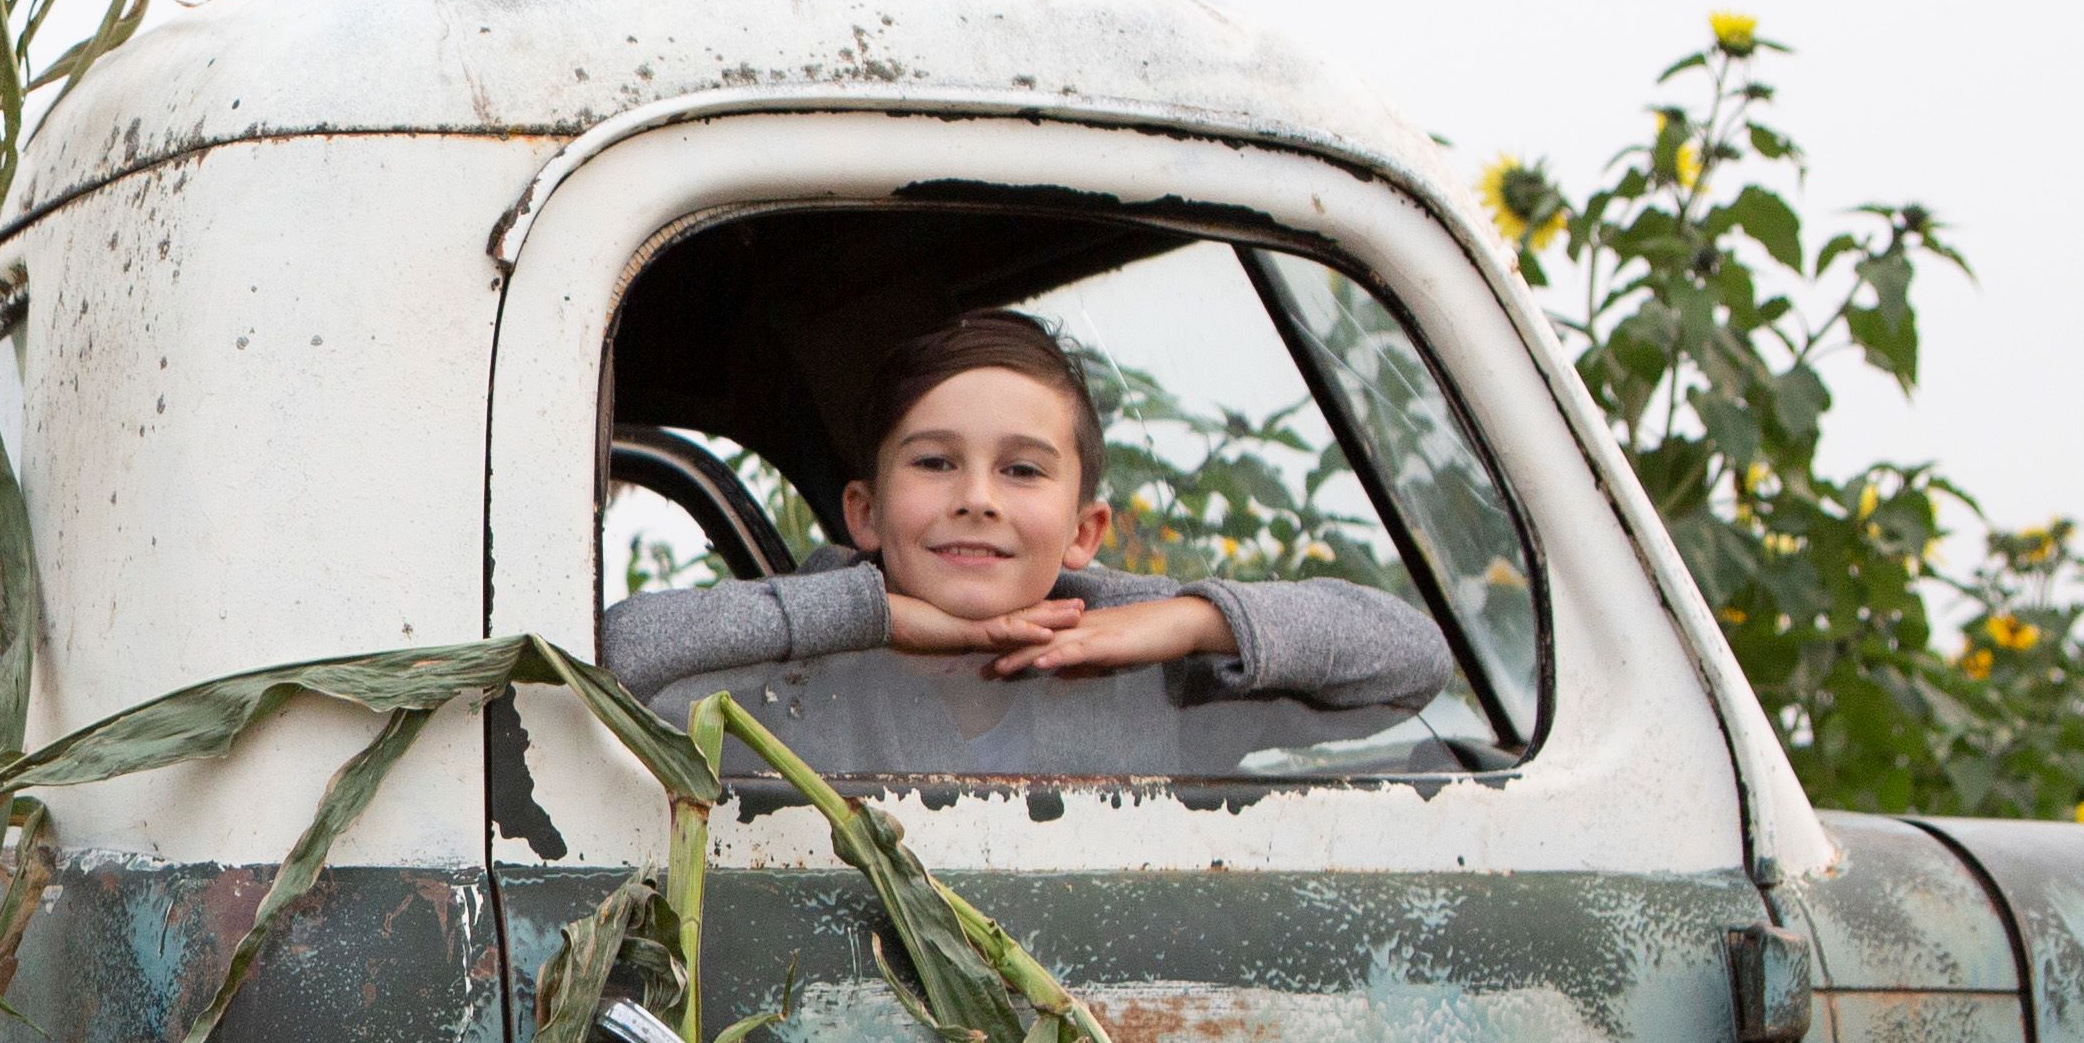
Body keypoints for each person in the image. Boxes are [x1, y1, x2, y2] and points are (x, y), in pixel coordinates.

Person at [601, 309, 1457, 775]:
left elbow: (1412, 659)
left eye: (1022, 471)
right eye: (936, 462)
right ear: (864, 513)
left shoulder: (1148, 672)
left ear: (1084, 531)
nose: (976, 499)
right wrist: (874, 617)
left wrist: (1189, 621)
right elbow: (609, 662)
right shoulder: (795, 674)